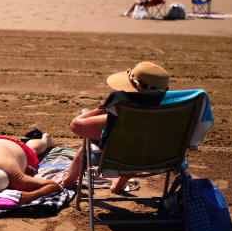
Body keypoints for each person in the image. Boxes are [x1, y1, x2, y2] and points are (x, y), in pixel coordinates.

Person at [61, 62, 170, 193]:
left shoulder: (121, 106)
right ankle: (118, 185)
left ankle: (67, 181)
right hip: (158, 159)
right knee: (140, 145)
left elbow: (76, 126)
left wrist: (102, 109)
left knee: (88, 144)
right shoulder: (172, 109)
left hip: (113, 160)